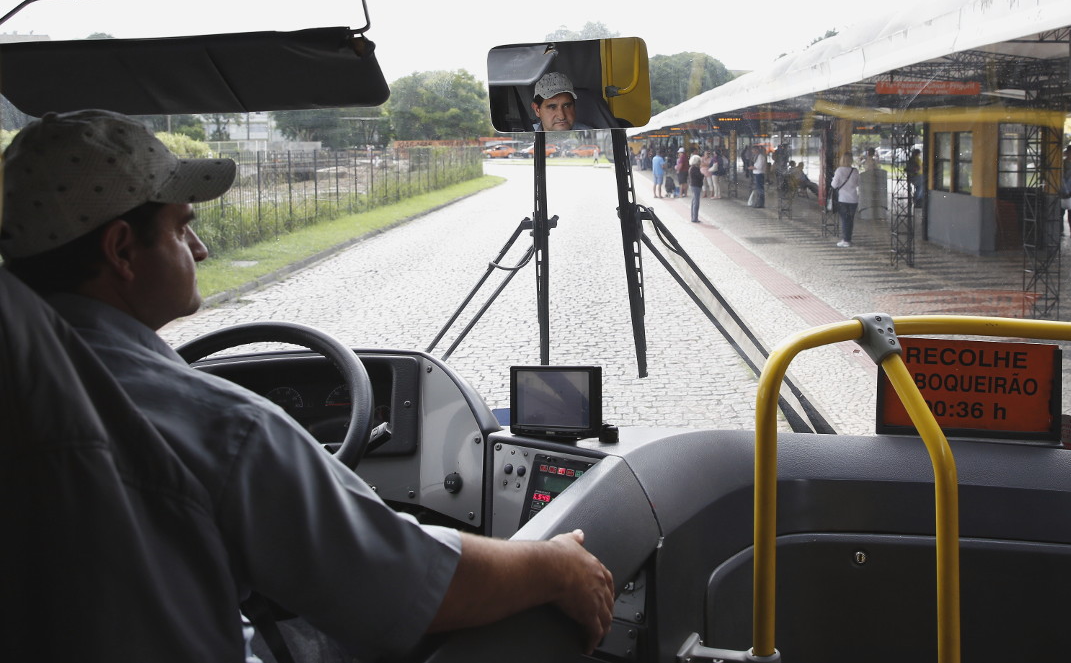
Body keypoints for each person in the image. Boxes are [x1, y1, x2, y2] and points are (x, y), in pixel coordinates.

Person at [0, 110, 615, 660]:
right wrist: (554, 564)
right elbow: (403, 586)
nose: (203, 247)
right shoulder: (219, 426)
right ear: (122, 251)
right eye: (182, 228)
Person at [530, 72, 595, 132]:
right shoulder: (526, 139)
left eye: (567, 106)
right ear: (537, 110)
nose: (562, 116)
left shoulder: (590, 137)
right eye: (552, 107)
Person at [831, 152, 861, 247]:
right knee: (850, 220)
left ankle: (845, 240)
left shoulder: (839, 170)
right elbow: (858, 184)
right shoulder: (855, 171)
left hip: (843, 199)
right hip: (853, 199)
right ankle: (849, 238)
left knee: (844, 220)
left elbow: (834, 185)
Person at [688, 154, 704, 222]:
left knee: (694, 201)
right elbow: (700, 176)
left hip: (693, 185)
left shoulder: (692, 168)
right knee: (696, 202)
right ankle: (695, 218)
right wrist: (702, 175)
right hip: (696, 186)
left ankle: (693, 217)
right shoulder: (695, 169)